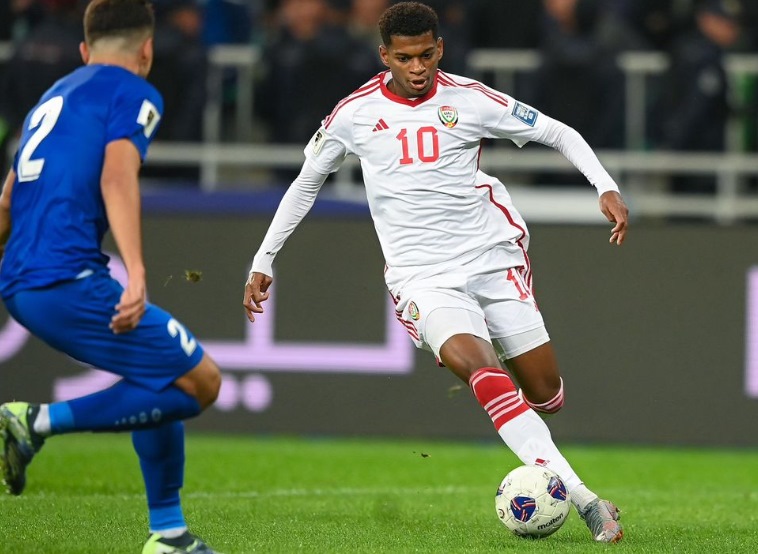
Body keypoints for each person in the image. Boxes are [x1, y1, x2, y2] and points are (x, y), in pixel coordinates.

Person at [243, 1, 628, 544]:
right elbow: (307, 183)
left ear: (439, 49)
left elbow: (558, 133)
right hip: (421, 276)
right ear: (385, 56)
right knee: (483, 371)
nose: (417, 67)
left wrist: (604, 185)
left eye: (426, 54)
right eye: (405, 58)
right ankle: (586, 500)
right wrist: (264, 258)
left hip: (491, 256)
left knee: (546, 395)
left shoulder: (469, 101)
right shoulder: (353, 114)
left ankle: (534, 421)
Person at [0, 1, 221, 553]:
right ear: (147, 49)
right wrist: (138, 272)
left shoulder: (51, 99)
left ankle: (168, 535)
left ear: (84, 50)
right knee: (202, 381)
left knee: (159, 372)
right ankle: (36, 422)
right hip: (66, 277)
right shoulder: (134, 92)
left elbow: (6, 200)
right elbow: (117, 177)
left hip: (24, 282)